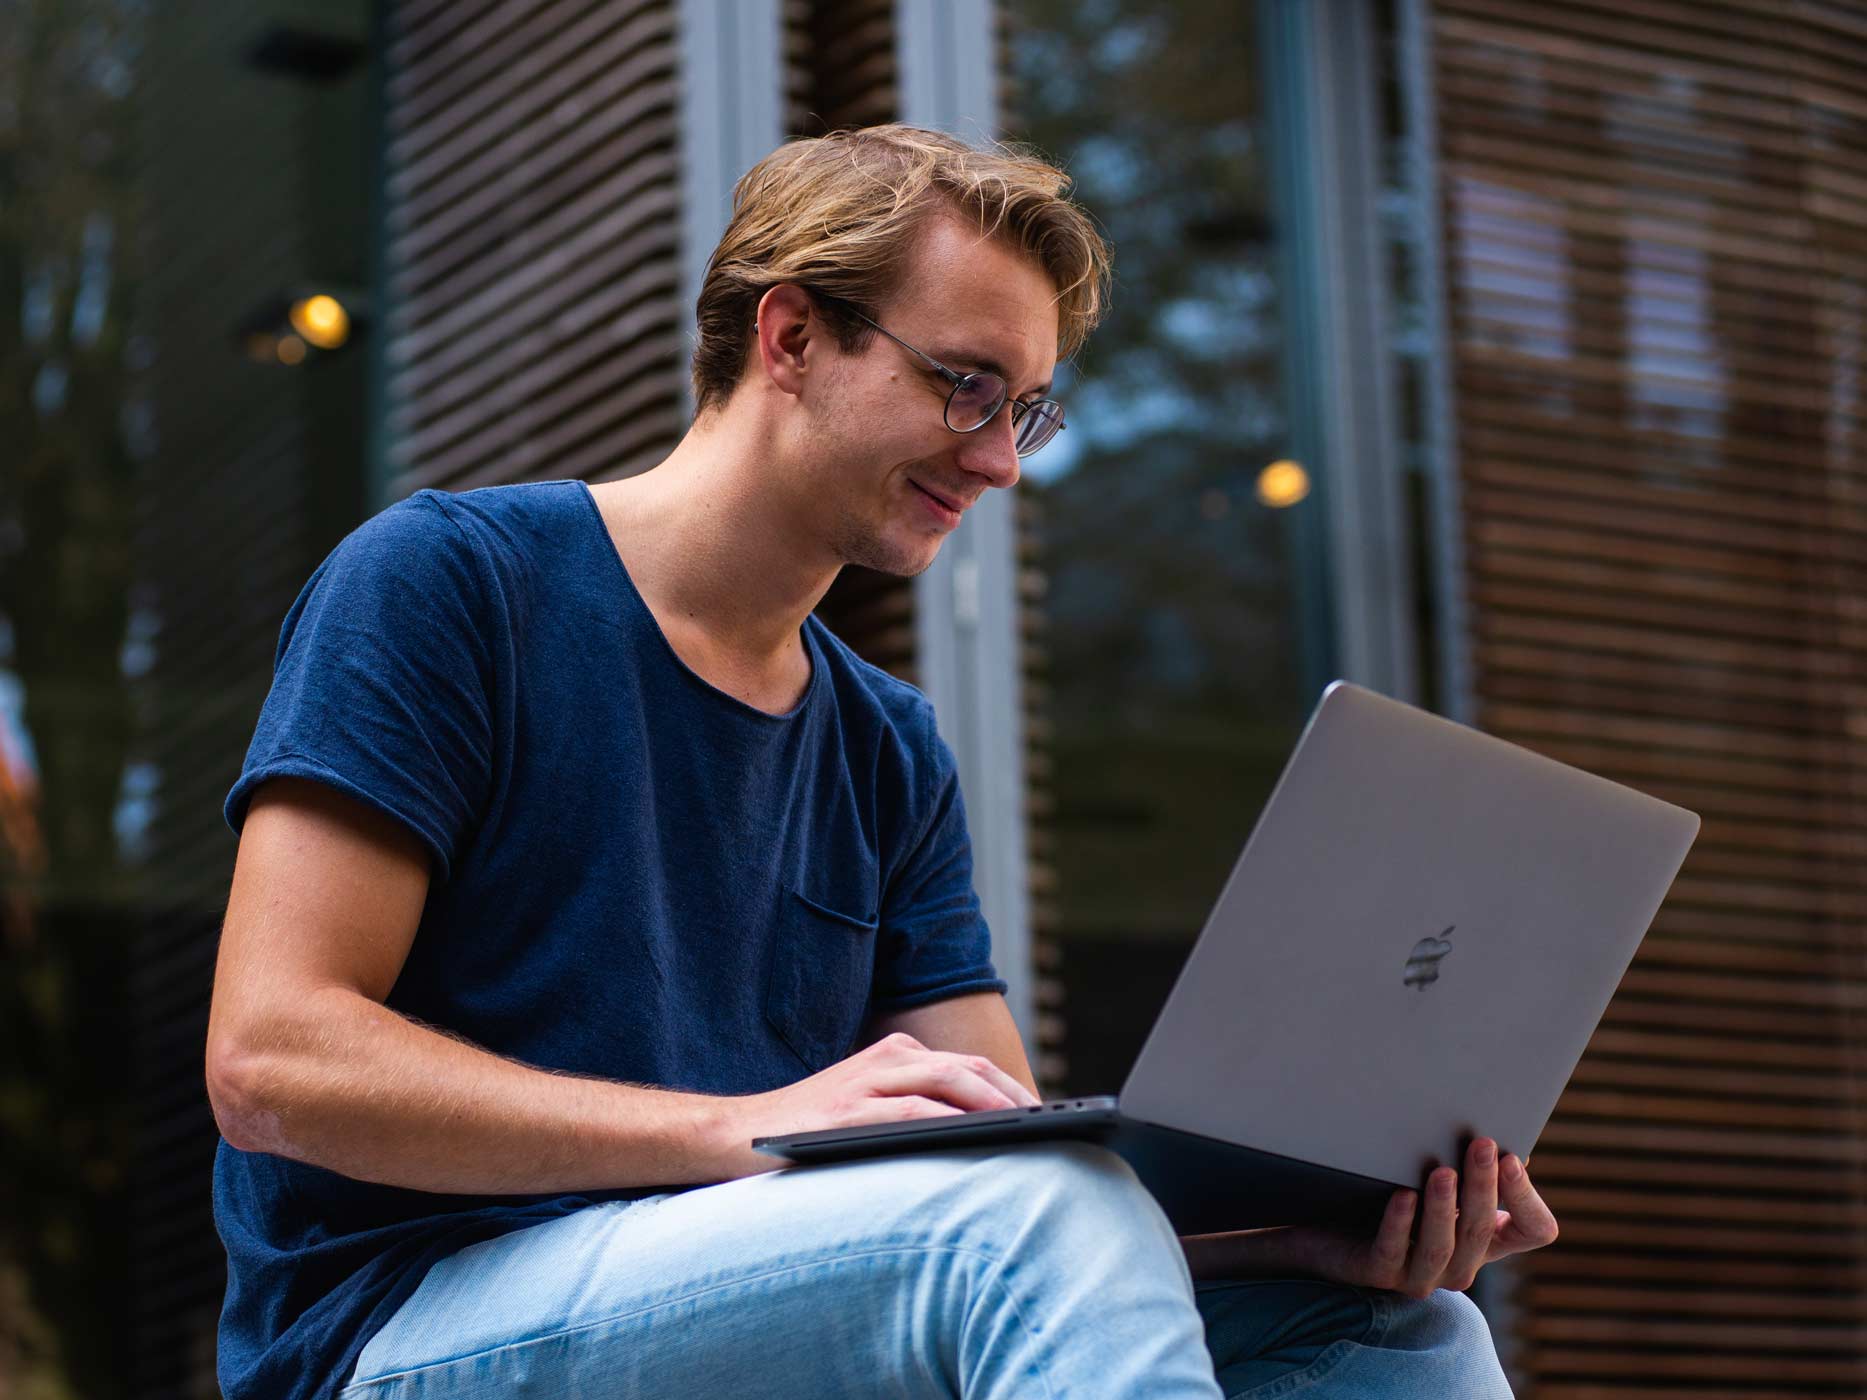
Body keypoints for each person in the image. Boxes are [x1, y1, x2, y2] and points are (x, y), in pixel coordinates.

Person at [204, 122, 1555, 1400]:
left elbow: (1017, 1178)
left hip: (752, 1303)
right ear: (791, 336)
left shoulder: (886, 746)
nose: (1000, 461)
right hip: (404, 1326)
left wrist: (1286, 1239)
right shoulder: (451, 587)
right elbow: (271, 1064)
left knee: (1401, 1337)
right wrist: (744, 1129)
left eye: (1028, 409)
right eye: (967, 385)